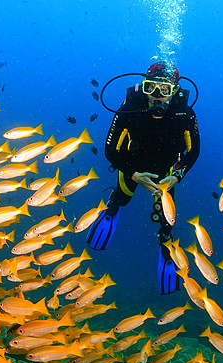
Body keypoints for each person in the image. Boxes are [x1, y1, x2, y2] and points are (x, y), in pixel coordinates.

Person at [86, 61, 200, 294]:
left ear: (175, 91)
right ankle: (112, 208)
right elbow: (109, 150)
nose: (157, 97)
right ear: (143, 88)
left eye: (165, 90)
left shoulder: (184, 113)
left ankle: (166, 242)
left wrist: (177, 176)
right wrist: (133, 174)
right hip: (132, 167)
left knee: (167, 218)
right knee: (121, 197)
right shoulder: (129, 108)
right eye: (151, 89)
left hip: (167, 174)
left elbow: (194, 150)